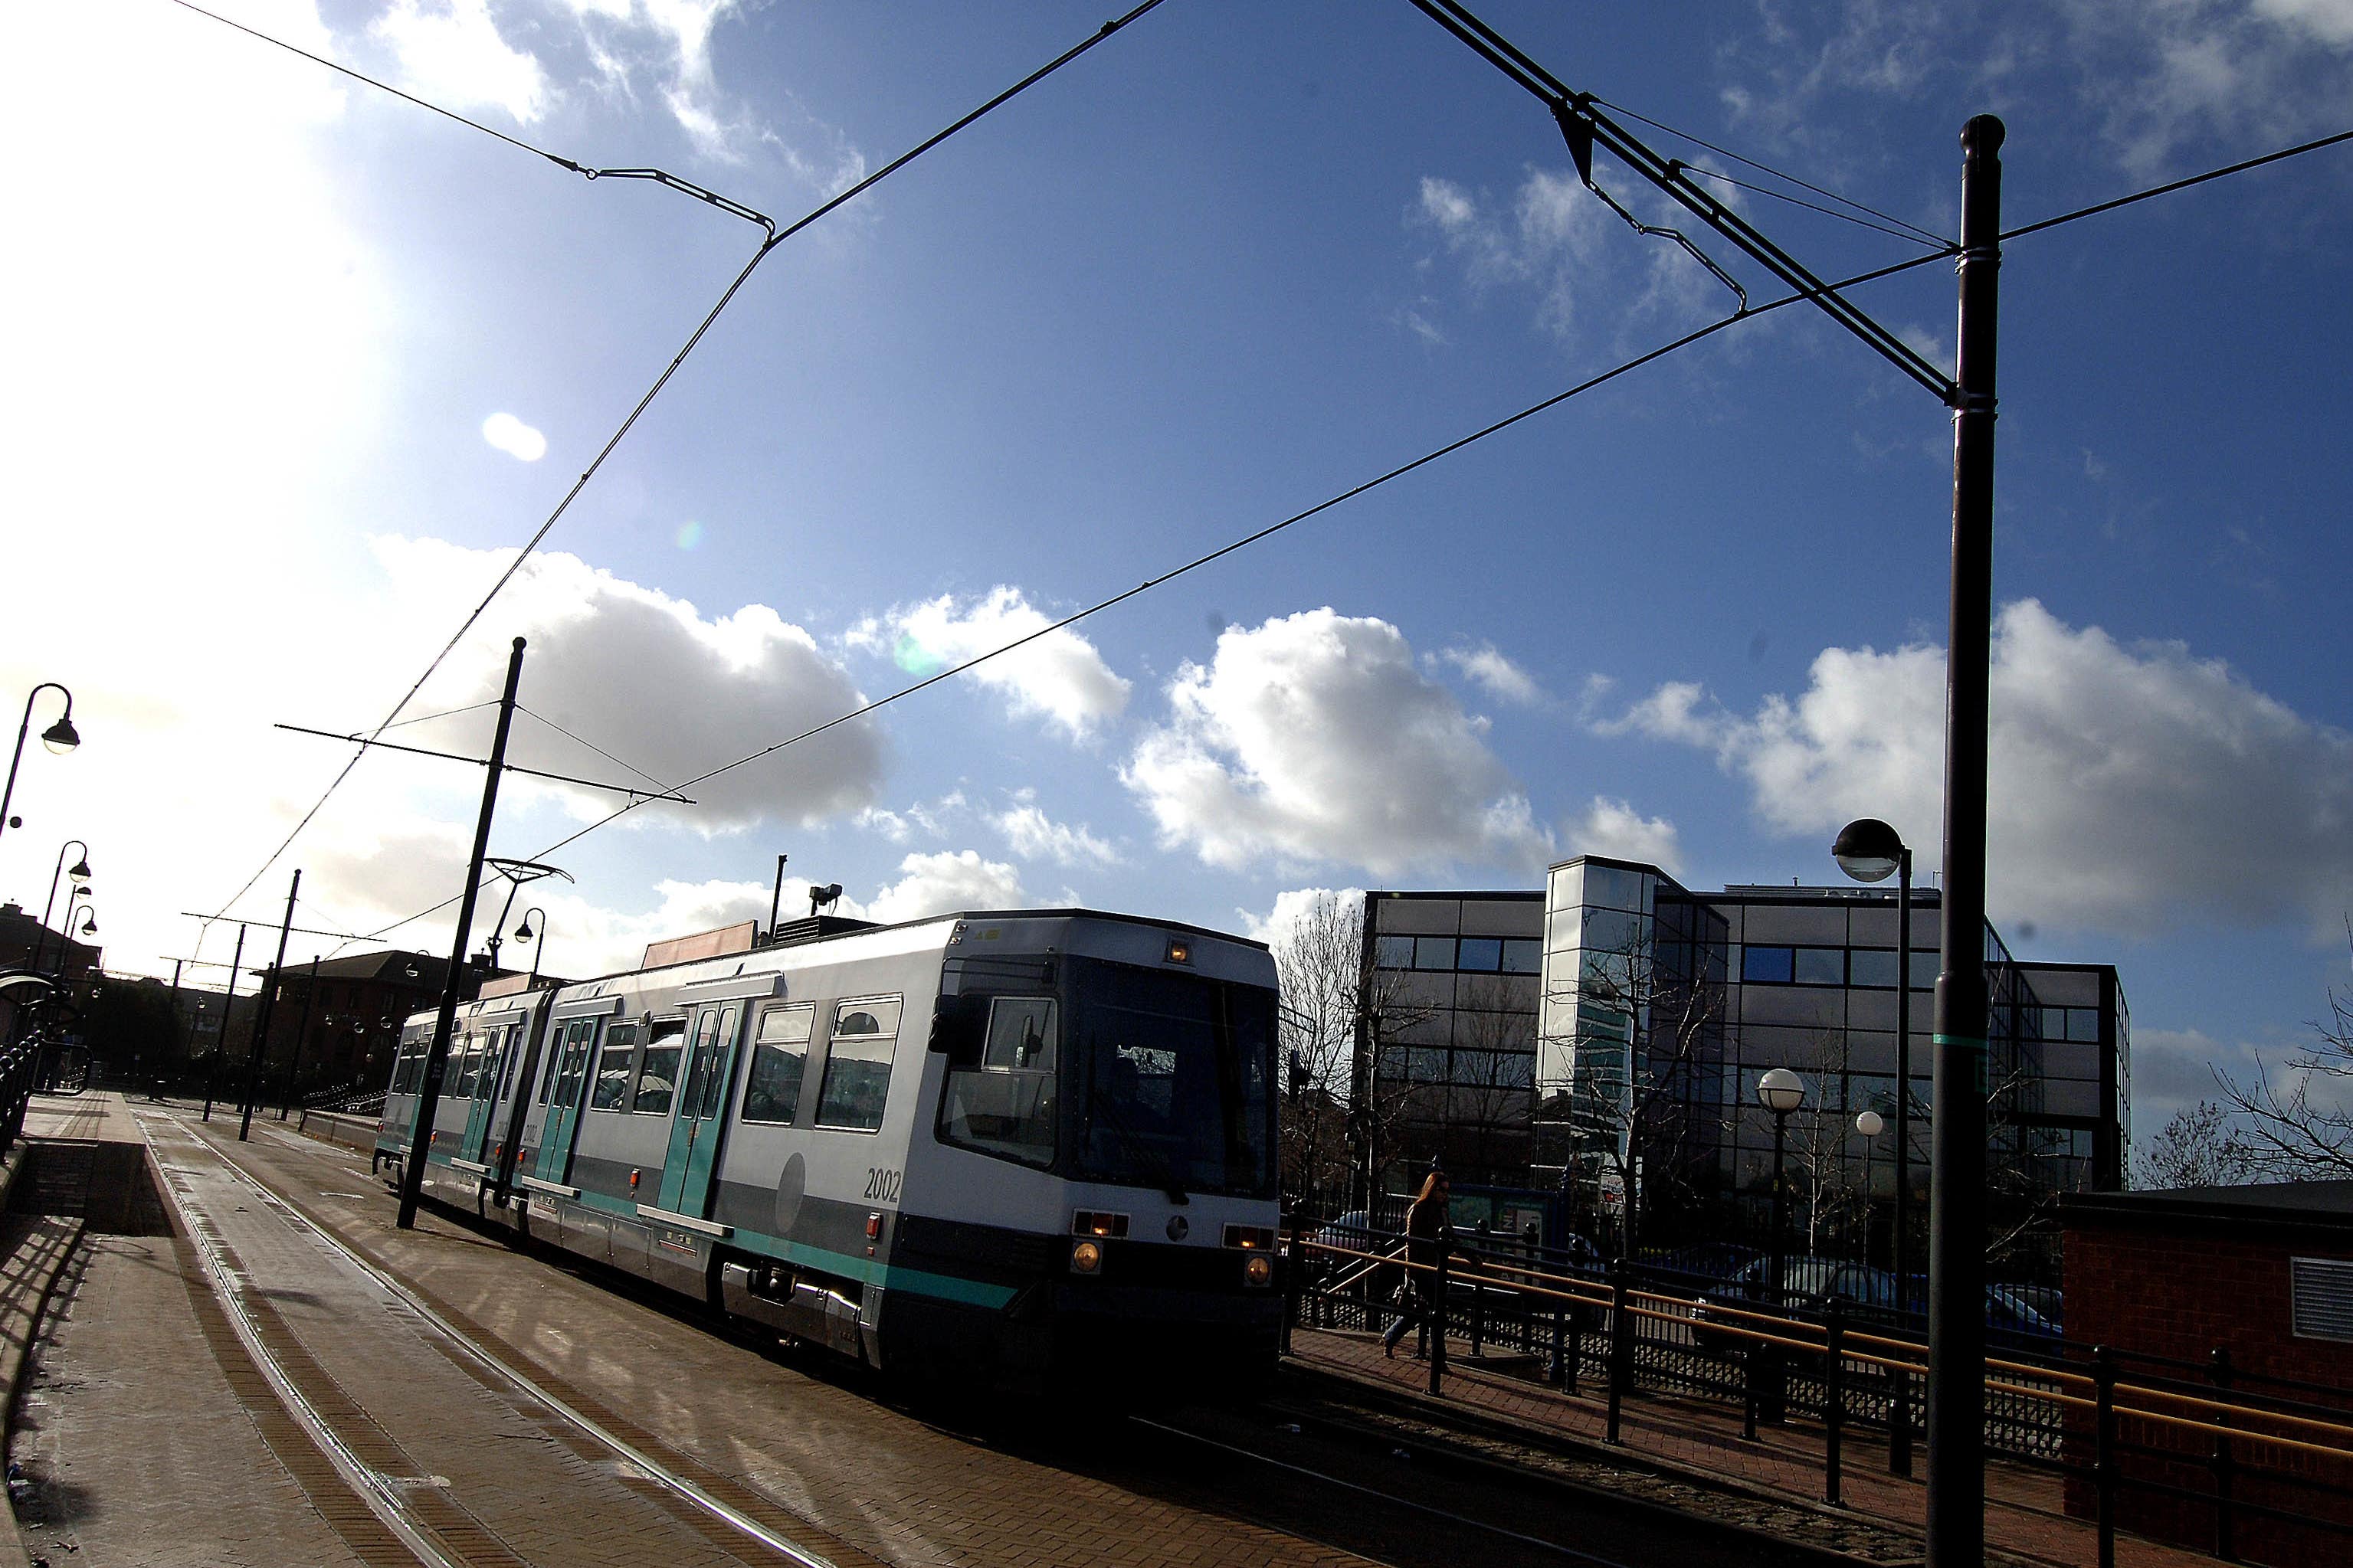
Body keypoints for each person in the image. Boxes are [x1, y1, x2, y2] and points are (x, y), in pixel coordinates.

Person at [1382, 1168, 1458, 1358]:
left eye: (1447, 1190)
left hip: (1436, 1268)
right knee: (1436, 1311)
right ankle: (1439, 1358)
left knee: (1418, 1312)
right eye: (1441, 1189)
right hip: (1422, 1269)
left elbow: (1452, 1238)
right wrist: (1411, 1272)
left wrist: (1472, 1258)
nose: (1444, 1194)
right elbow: (1411, 1243)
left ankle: (1390, 1337)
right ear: (1432, 1189)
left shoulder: (1442, 1212)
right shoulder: (1418, 1210)